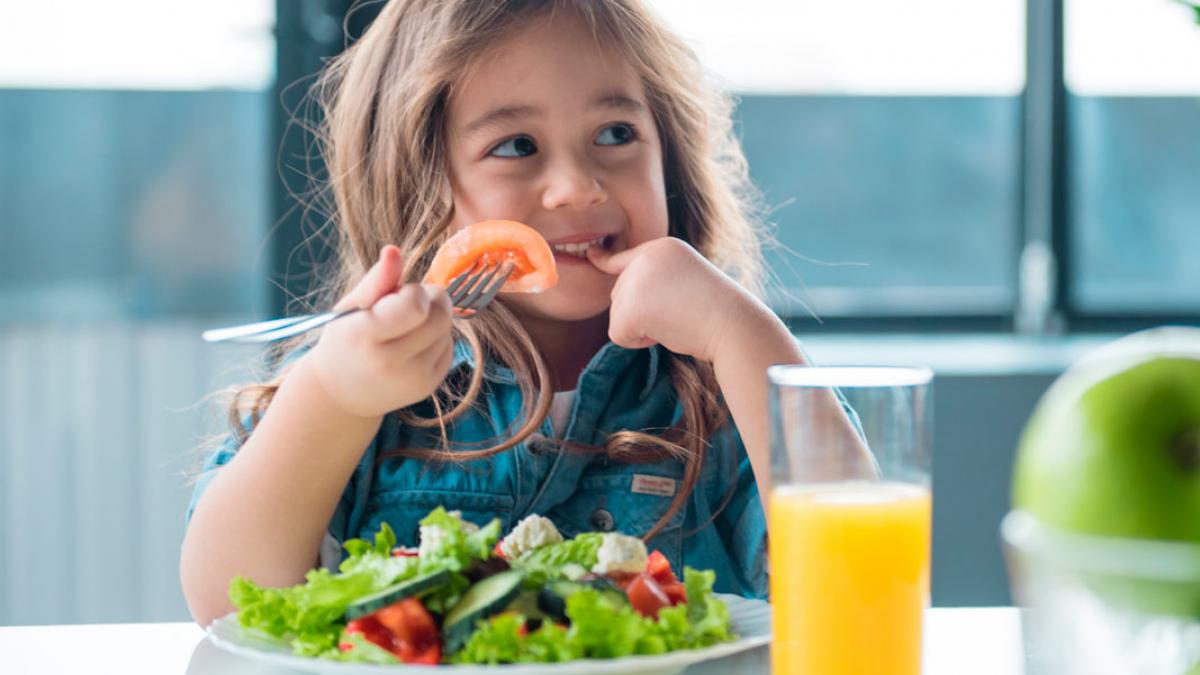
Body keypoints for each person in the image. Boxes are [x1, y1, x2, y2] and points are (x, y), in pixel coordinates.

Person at [180, 0, 864, 626]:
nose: (576, 187)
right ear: (418, 187)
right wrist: (331, 396)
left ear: (672, 163)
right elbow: (229, 602)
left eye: (616, 132)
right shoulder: (356, 378)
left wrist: (742, 335)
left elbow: (861, 587)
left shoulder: (723, 385)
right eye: (515, 147)